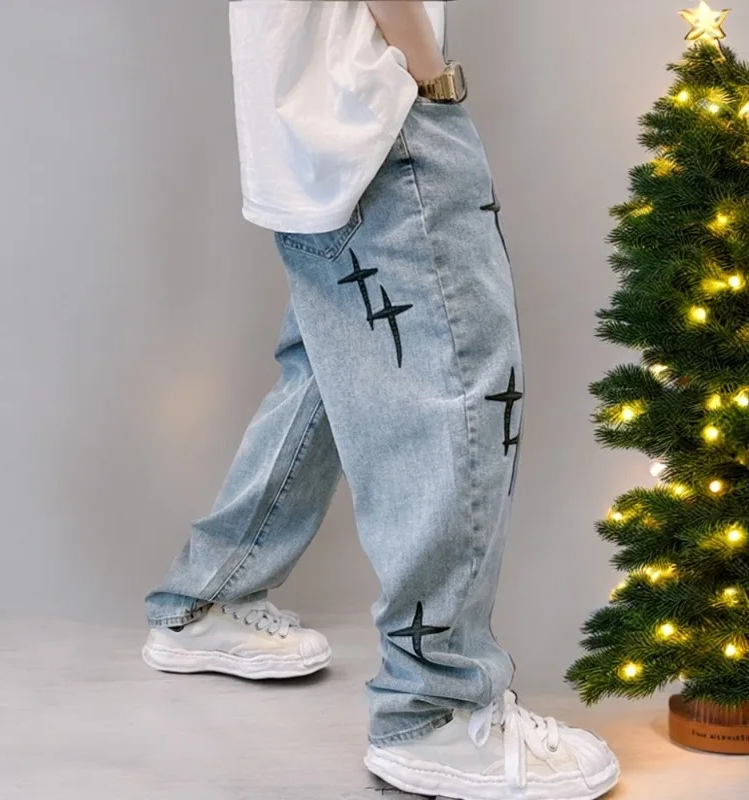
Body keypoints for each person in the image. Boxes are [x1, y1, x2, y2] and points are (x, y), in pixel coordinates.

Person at [141, 2, 620, 798]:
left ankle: (209, 595)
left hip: (305, 117)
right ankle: (437, 706)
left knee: (335, 366)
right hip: (380, 111)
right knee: (459, 387)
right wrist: (430, 75)